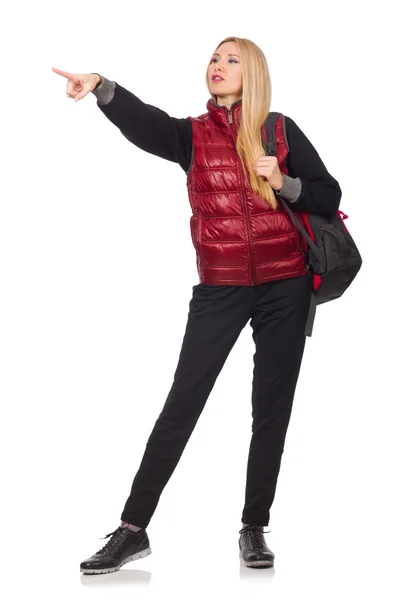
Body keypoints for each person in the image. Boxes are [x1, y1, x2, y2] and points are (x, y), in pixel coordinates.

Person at [52, 36, 341, 574]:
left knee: (270, 409)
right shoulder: (192, 135)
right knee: (183, 403)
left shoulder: (279, 130)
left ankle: (254, 528)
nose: (218, 66)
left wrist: (285, 181)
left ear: (251, 72)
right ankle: (132, 530)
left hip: (287, 283)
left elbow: (330, 195)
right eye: (213, 58)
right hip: (221, 286)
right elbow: (147, 125)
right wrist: (103, 89)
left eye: (231, 60)